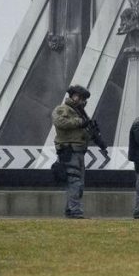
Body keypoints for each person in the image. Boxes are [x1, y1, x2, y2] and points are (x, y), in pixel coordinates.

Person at [52, 85, 94, 219]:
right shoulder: (63, 109)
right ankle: (75, 211)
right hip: (69, 151)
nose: (81, 101)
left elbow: (83, 133)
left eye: (83, 99)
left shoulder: (79, 112)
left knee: (78, 184)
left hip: (79, 152)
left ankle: (71, 210)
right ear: (73, 96)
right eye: (79, 97)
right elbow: (60, 122)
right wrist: (80, 122)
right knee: (74, 182)